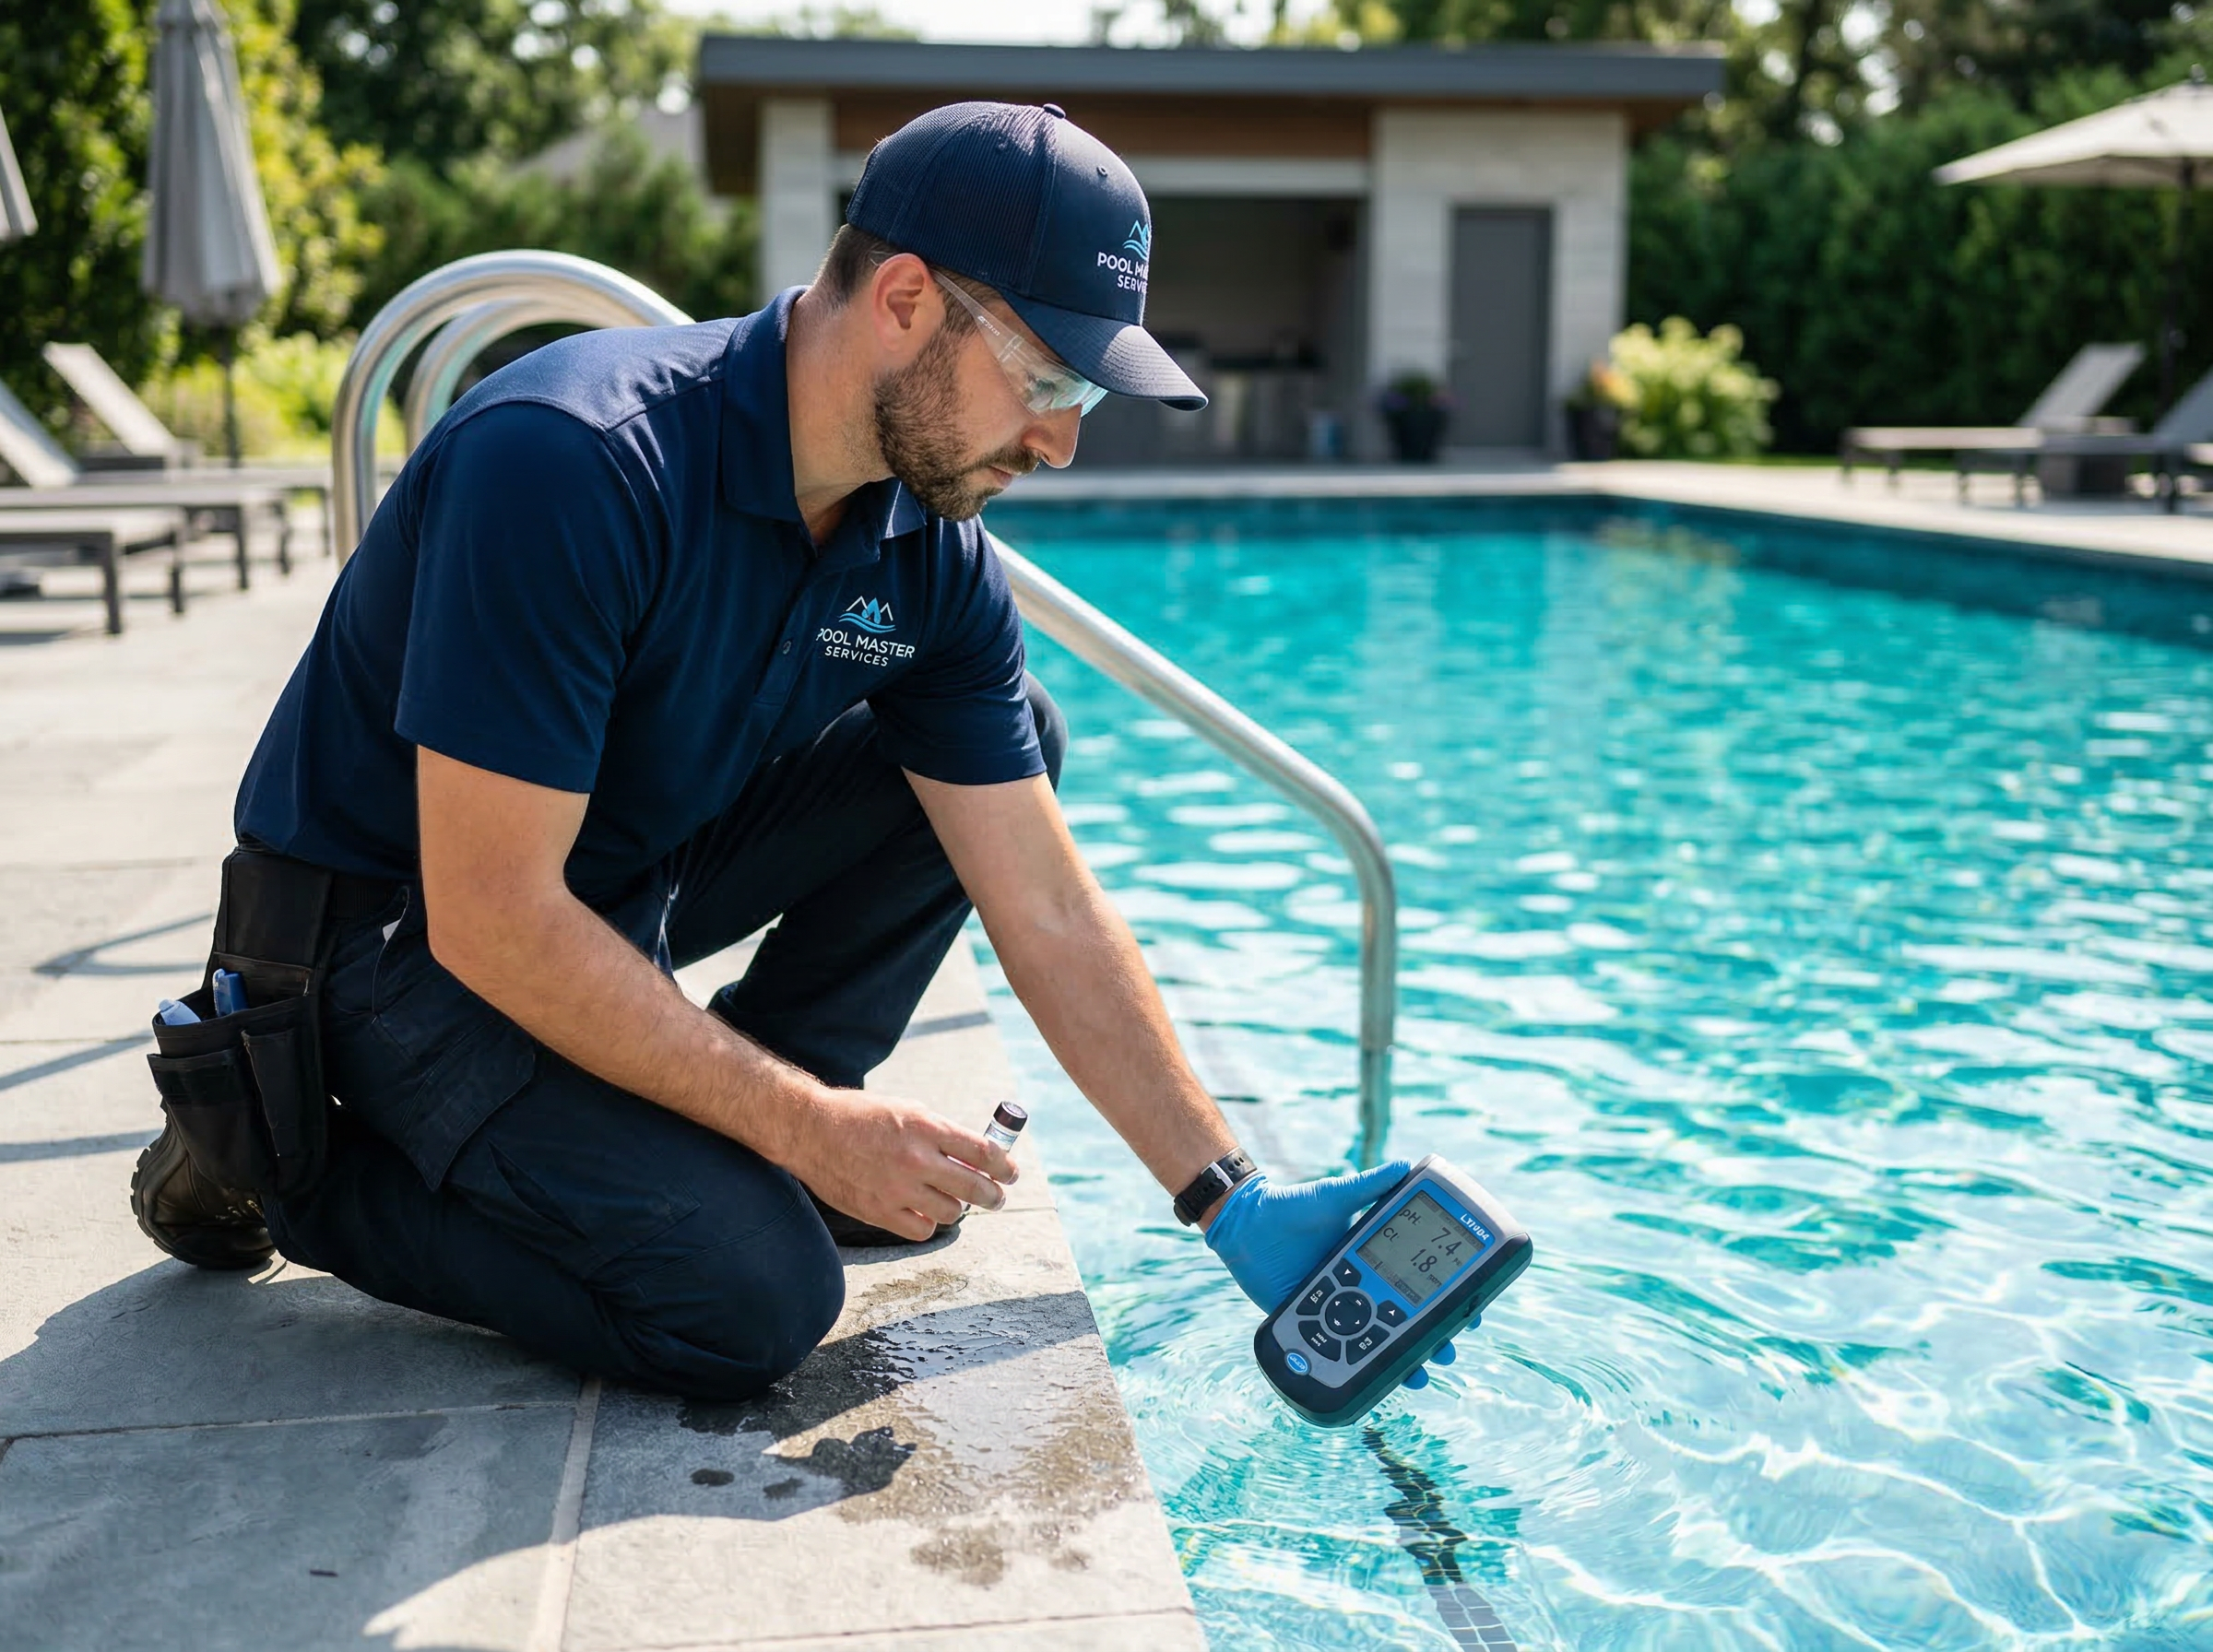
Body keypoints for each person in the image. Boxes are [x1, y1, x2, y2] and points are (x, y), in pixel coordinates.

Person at [129, 101, 1465, 1400]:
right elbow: (492, 918)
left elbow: (1046, 904)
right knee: (747, 1301)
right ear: (905, 300)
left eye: (1085, 399)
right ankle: (271, 1158)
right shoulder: (572, 463)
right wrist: (805, 1128)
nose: (1060, 444)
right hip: (386, 942)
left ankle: (770, 1121)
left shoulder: (928, 550)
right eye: (1049, 381)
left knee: (1006, 753)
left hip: (605, 879)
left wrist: (1231, 1200)